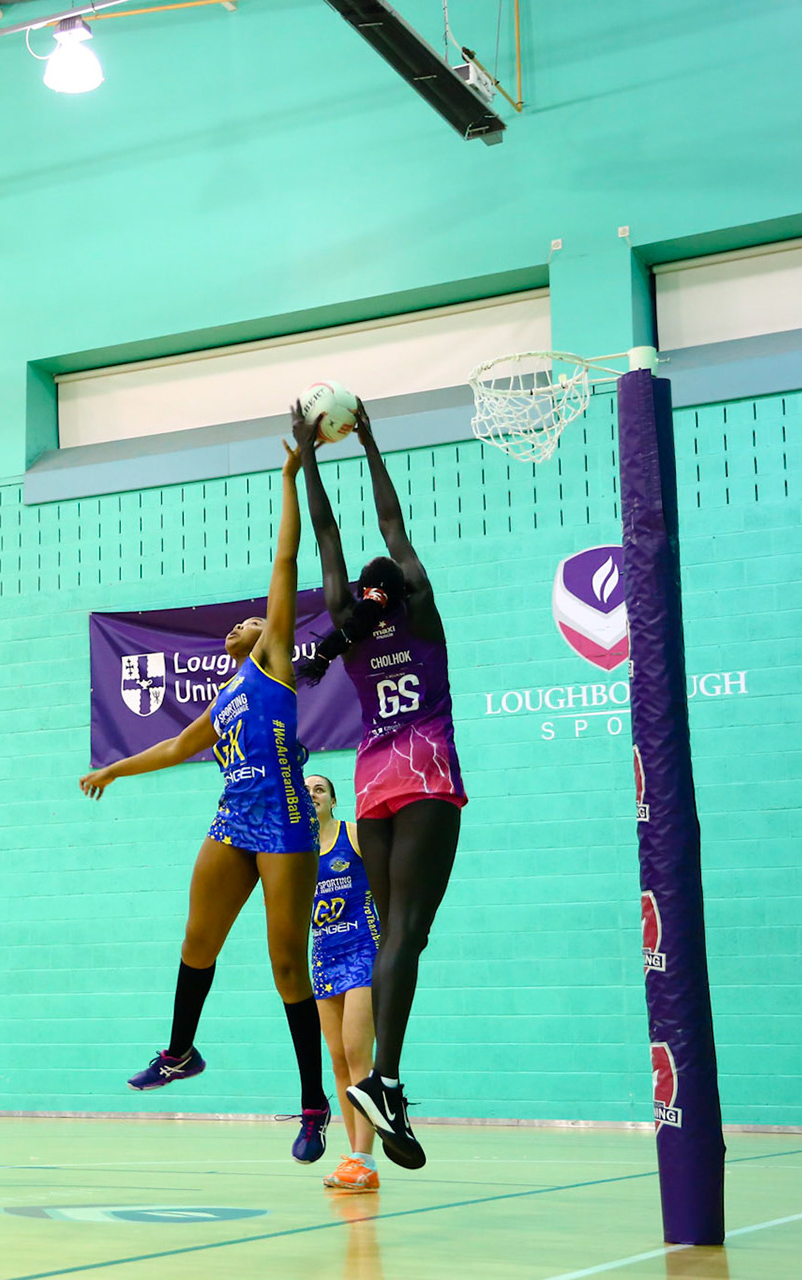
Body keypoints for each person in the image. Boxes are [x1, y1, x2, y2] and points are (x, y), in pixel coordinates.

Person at [79, 441, 332, 1165]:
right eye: (245, 623)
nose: (245, 622)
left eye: (255, 619)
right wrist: (113, 771)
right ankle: (181, 1051)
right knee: (196, 943)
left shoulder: (273, 660)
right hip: (232, 820)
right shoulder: (223, 697)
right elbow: (170, 748)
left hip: (285, 823)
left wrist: (288, 480)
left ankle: (312, 1106)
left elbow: (284, 568)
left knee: (288, 966)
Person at [294, 404, 469, 1170]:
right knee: (408, 934)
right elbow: (391, 526)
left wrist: (309, 459)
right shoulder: (423, 615)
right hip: (426, 775)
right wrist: (369, 441)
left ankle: (386, 1085)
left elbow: (330, 540)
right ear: (402, 589)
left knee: (396, 933)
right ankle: (383, 1079)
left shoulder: (347, 625)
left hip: (371, 783)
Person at [306, 774, 380, 1191]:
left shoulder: (353, 836)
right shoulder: (295, 848)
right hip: (323, 958)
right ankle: (355, 1158)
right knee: (336, 1060)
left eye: (320, 789)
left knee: (357, 1054)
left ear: (333, 800)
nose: (312, 793)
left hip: (364, 952)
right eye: (306, 789)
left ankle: (366, 1158)